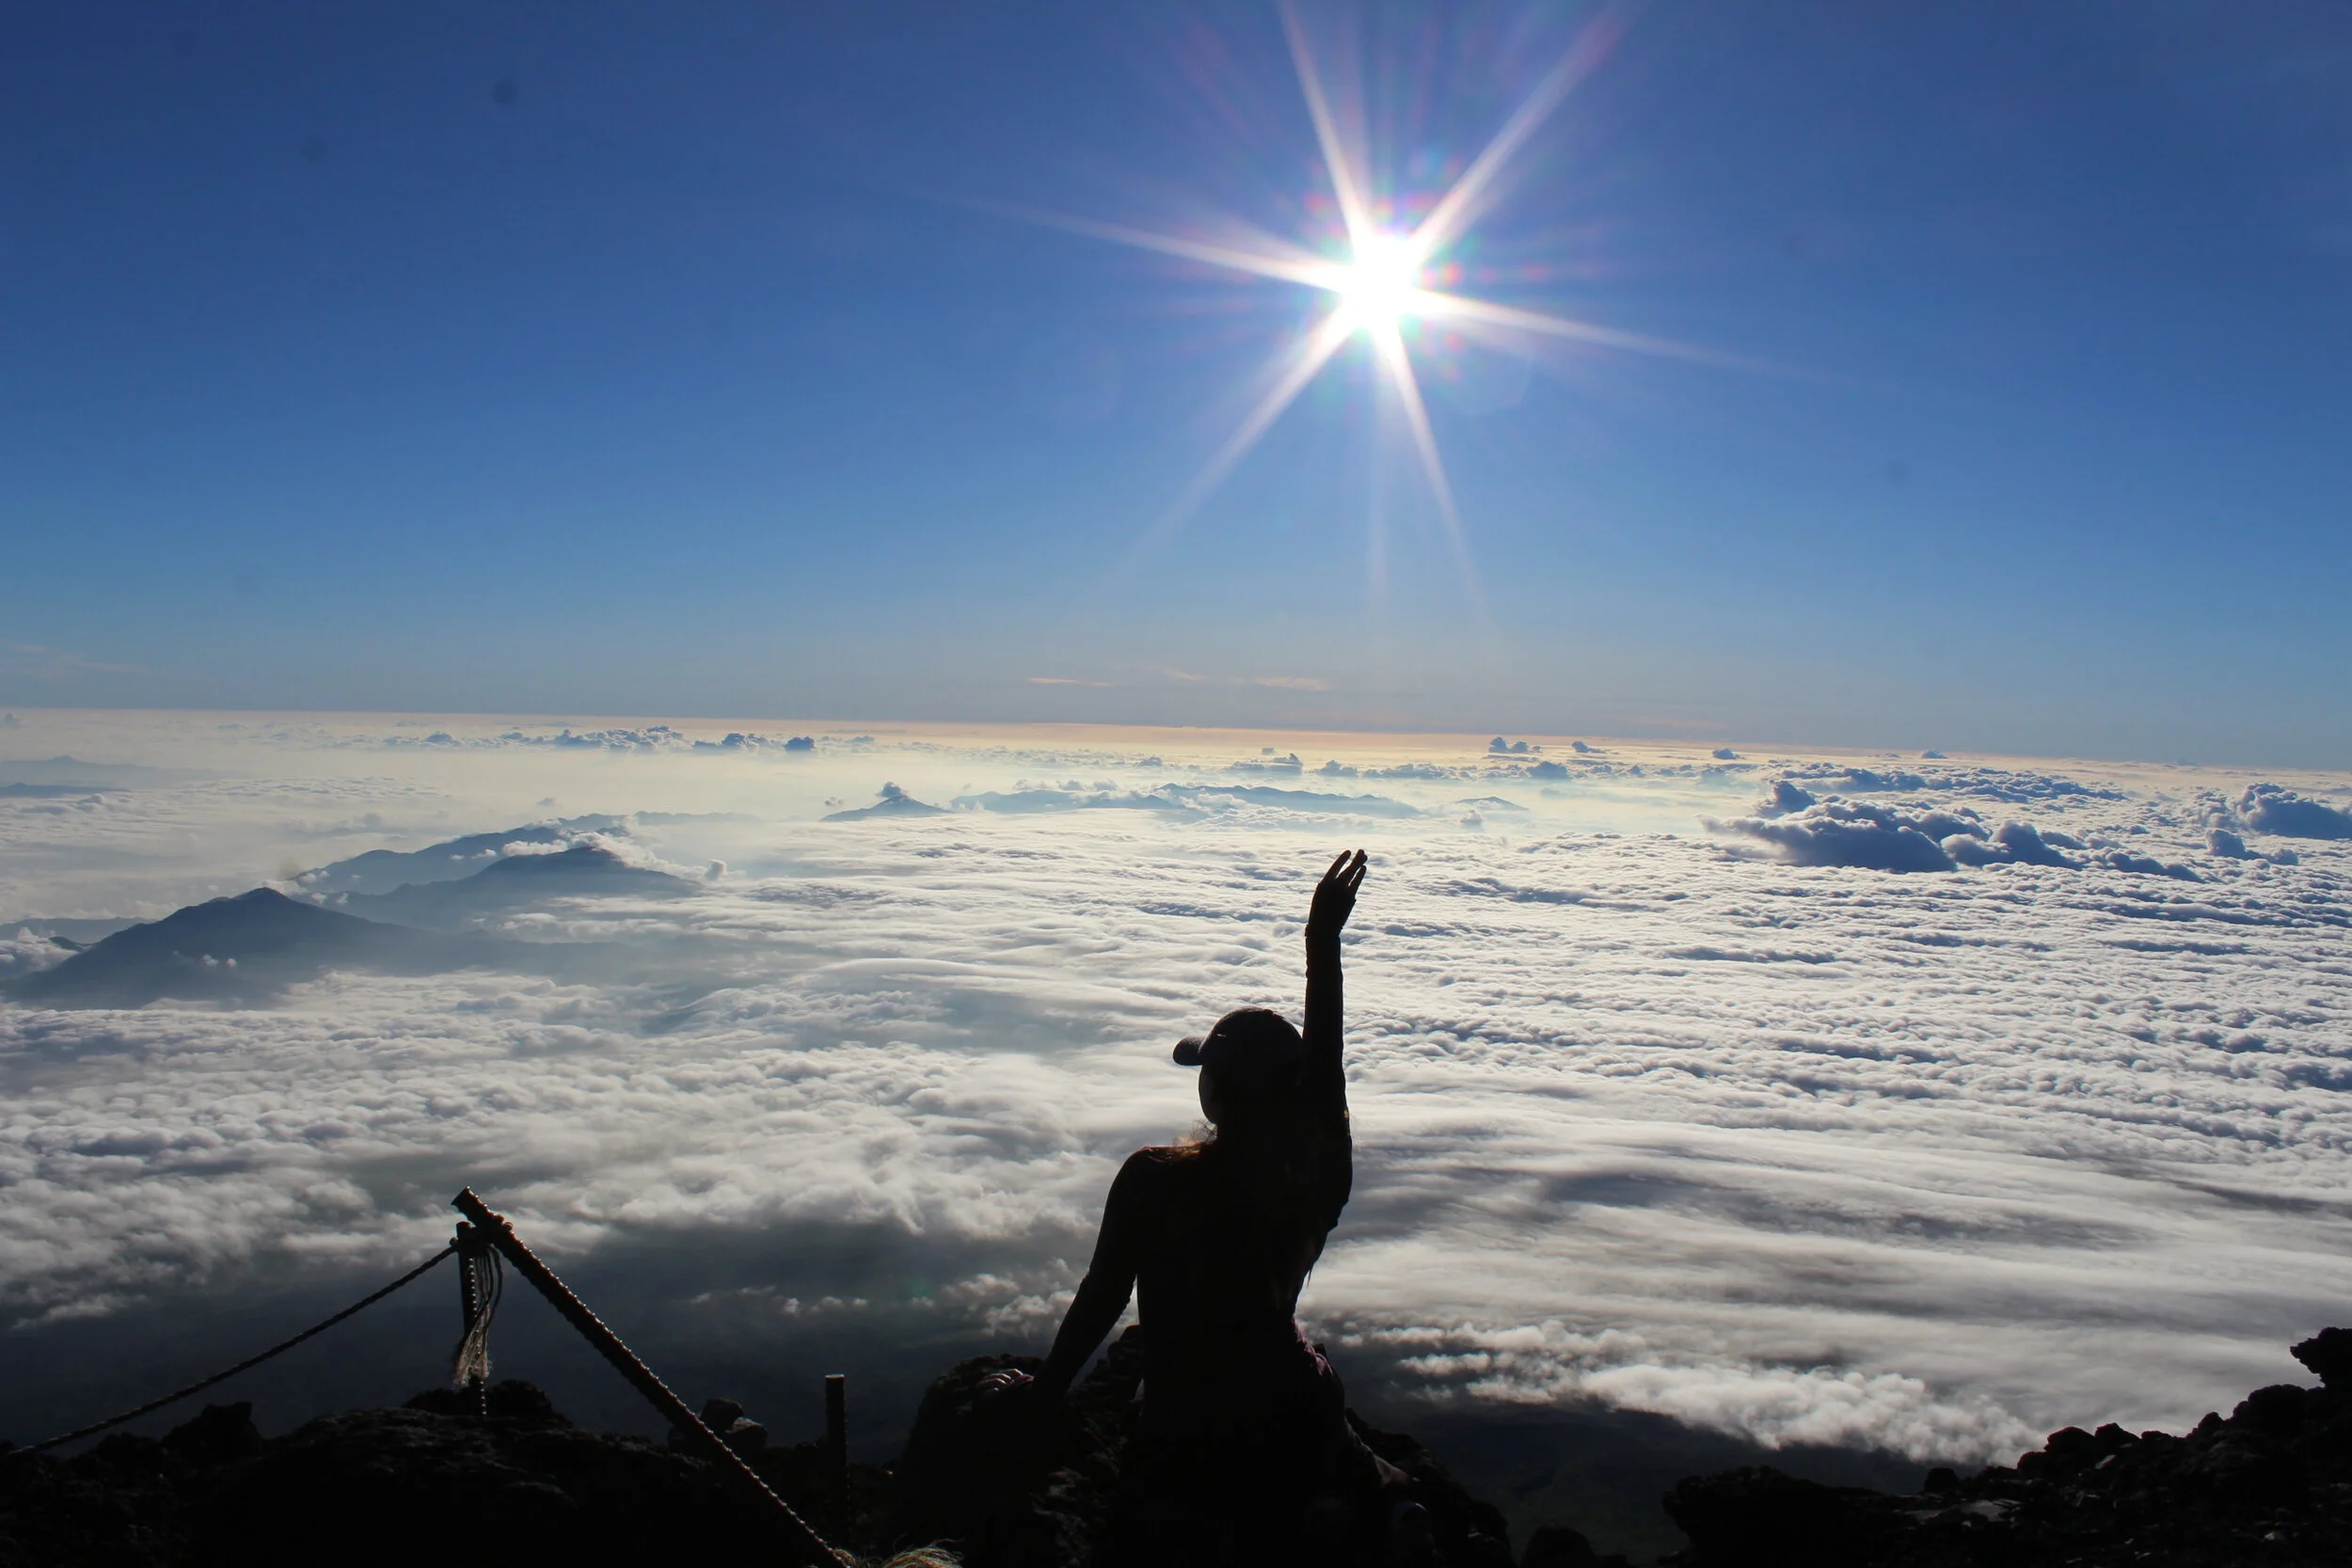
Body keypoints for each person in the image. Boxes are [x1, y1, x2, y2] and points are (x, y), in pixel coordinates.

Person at [980, 848, 1401, 1566]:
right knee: (1374, 1492)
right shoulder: (1317, 1181)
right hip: (1296, 1415)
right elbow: (1325, 1080)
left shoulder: (1154, 1180)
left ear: (1216, 1092)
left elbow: (1103, 1294)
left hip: (1182, 1437)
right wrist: (1322, 946)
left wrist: (1043, 1390)